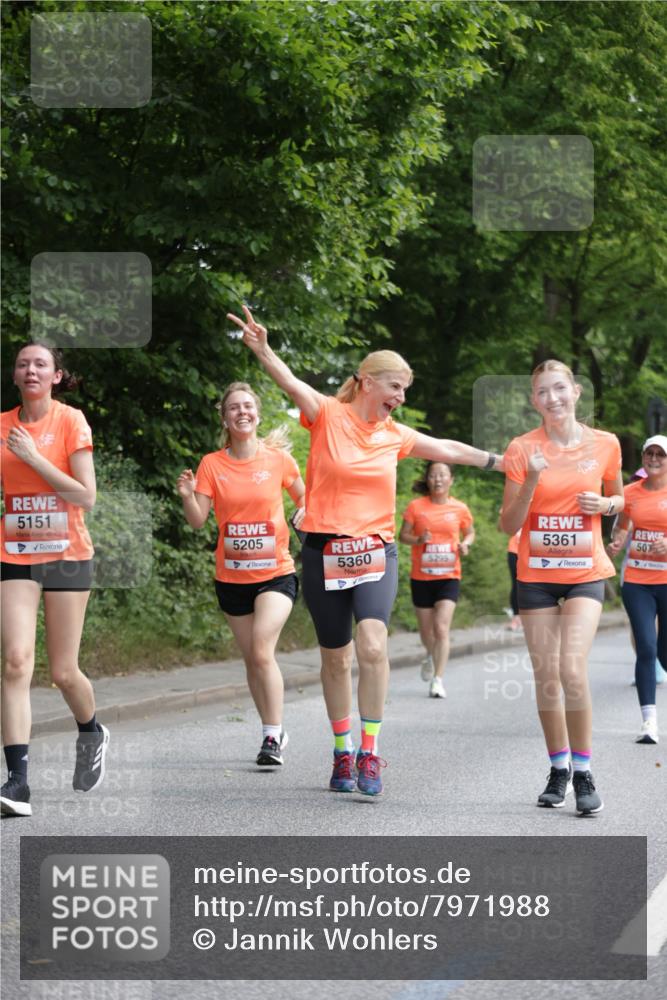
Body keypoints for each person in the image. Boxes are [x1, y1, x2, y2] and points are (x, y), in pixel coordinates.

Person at [228, 305, 502, 796]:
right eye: (395, 386)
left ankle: (370, 752)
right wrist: (261, 347)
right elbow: (291, 382)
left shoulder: (396, 436)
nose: (400, 397)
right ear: (368, 382)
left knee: (373, 644)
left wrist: (503, 462)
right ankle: (341, 751)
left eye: (405, 390)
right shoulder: (327, 416)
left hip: (376, 551)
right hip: (323, 551)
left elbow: (451, 449)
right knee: (335, 659)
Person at [501, 359, 623, 816]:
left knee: (571, 669)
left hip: (585, 574)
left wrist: (608, 502)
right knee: (546, 677)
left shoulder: (605, 444)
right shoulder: (520, 449)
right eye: (543, 393)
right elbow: (507, 524)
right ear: (535, 401)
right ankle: (559, 769)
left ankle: (585, 771)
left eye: (559, 389)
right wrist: (531, 478)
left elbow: (620, 496)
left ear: (575, 392)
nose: (552, 398)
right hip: (535, 578)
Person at [1, 342, 108, 818]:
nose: (31, 369)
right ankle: (17, 782)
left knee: (63, 672)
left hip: (67, 553)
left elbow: (85, 496)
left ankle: (91, 731)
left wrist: (32, 456)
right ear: (15, 375)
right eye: (23, 363)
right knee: (16, 661)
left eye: (40, 364)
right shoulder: (1, 425)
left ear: (57, 376)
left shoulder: (70, 420)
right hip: (16, 553)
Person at [177, 382, 305, 767]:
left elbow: (307, 496)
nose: (242, 412)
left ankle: (271, 735)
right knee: (253, 658)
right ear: (225, 418)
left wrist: (305, 515)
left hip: (276, 574)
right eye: (234, 407)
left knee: (263, 648)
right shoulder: (211, 464)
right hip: (231, 578)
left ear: (258, 414)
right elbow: (198, 522)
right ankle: (273, 728)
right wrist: (187, 496)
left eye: (248, 406)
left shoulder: (278, 459)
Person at [608, 435, 667, 744]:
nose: (654, 458)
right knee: (646, 646)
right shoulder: (629, 493)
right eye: (650, 453)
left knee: (665, 652)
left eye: (661, 454)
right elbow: (622, 525)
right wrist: (617, 541)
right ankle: (649, 723)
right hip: (638, 581)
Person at [399, 462, 474, 698]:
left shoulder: (460, 508)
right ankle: (430, 655)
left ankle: (438, 680)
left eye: (442, 475)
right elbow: (402, 536)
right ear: (428, 479)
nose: (437, 480)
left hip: (449, 576)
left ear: (451, 479)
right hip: (421, 577)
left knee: (441, 627)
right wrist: (418, 540)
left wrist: (466, 545)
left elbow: (470, 532)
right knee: (426, 632)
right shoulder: (415, 507)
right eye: (433, 475)